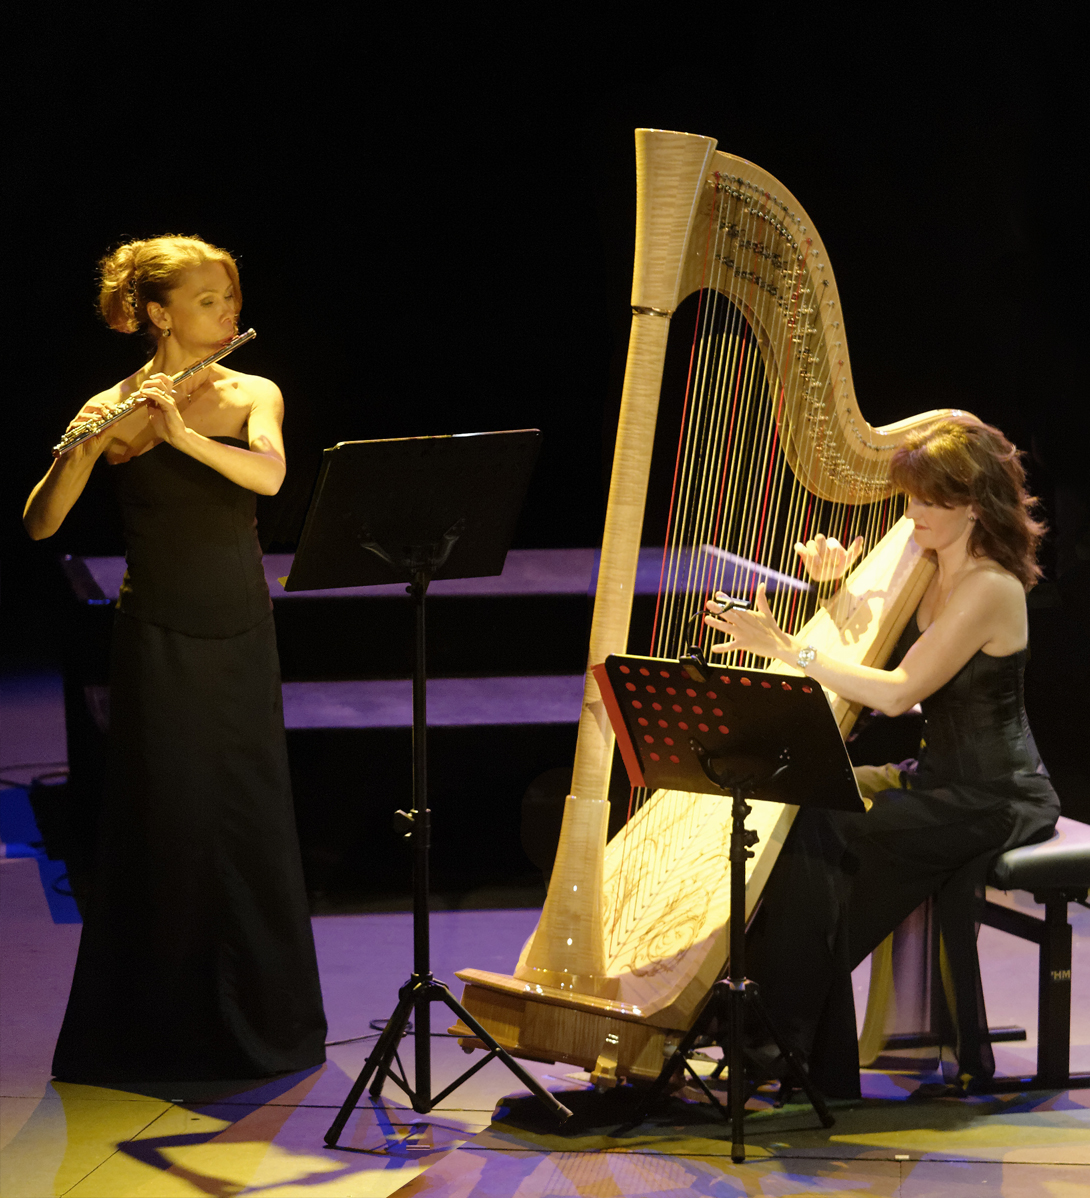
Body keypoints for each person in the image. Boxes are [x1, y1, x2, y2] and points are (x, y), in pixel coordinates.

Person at [24, 235, 327, 1083]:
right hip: (156, 636)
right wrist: (83, 449)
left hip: (239, 629)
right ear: (158, 314)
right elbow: (41, 524)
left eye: (229, 298)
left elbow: (268, 478)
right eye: (208, 301)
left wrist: (180, 435)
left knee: (249, 820)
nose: (229, 313)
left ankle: (264, 1021)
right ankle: (159, 1033)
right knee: (166, 823)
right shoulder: (111, 402)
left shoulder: (248, 389)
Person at [704, 415, 1059, 1097]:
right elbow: (860, 653)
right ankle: (789, 1045)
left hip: (995, 797)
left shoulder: (991, 586)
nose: (915, 514)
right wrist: (831, 589)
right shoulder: (921, 564)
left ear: (976, 504)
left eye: (932, 501)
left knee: (821, 828)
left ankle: (779, 1041)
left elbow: (896, 695)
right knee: (791, 793)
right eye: (913, 500)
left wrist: (784, 648)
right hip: (933, 778)